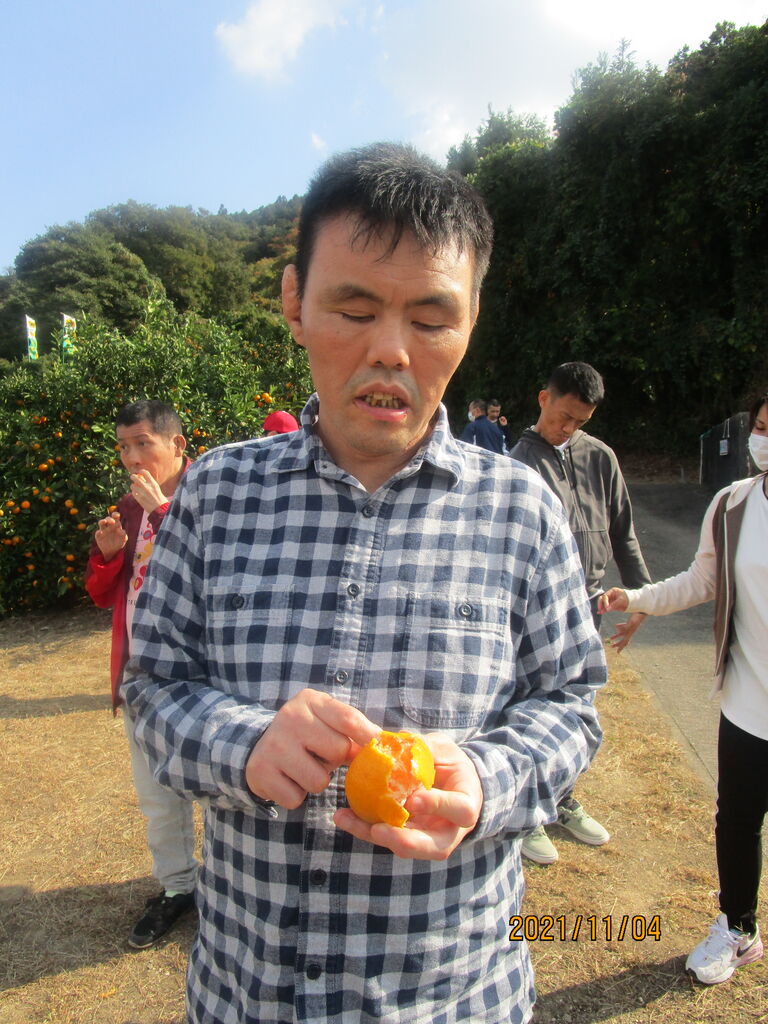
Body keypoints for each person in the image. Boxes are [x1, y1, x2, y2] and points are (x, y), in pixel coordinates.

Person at [123, 143, 606, 1024]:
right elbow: (152, 684)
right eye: (353, 308)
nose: (390, 351)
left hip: (455, 997)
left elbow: (571, 701)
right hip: (247, 993)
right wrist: (244, 744)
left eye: (431, 319)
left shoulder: (522, 511)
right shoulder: (218, 494)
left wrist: (488, 778)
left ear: (471, 320)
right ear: (294, 302)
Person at [600, 390, 768, 986]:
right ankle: (738, 927)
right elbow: (702, 579)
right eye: (762, 426)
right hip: (749, 703)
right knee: (738, 820)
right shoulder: (733, 505)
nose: (765, 440)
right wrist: (635, 597)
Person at [510, 362, 651, 864]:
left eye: (580, 422)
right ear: (543, 399)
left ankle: (563, 798)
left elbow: (623, 531)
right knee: (529, 703)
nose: (568, 428)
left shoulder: (600, 457)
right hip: (536, 609)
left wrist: (642, 597)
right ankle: (527, 811)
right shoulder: (517, 464)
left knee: (577, 706)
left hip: (589, 605)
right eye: (563, 416)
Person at [84, 400, 197, 949]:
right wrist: (108, 555)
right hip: (141, 677)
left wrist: (165, 512)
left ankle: (237, 883)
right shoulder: (129, 509)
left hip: (203, 677)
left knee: (225, 788)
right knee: (156, 792)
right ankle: (178, 886)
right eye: (124, 447)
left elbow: (215, 570)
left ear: (177, 444)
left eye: (143, 443)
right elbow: (102, 593)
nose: (132, 458)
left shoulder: (210, 494)